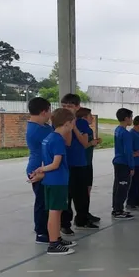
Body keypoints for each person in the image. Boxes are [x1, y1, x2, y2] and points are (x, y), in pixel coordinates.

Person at [33, 108, 79, 255]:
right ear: (67, 123)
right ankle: (53, 244)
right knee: (55, 212)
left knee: (56, 211)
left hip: (51, 181)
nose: (73, 126)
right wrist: (41, 170)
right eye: (73, 124)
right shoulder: (58, 140)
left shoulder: (49, 138)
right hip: (57, 181)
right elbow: (55, 164)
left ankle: (57, 238)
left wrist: (41, 169)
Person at [60, 93, 99, 232]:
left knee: (81, 195)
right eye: (64, 106)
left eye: (69, 106)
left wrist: (73, 126)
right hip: (64, 163)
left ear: (77, 107)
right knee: (66, 196)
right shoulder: (58, 121)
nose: (66, 108)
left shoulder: (81, 123)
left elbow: (83, 142)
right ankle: (65, 224)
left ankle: (82, 219)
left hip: (80, 162)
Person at [25, 97, 53, 244]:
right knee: (42, 202)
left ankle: (48, 228)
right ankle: (41, 233)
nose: (51, 113)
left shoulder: (43, 127)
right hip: (39, 170)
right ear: (44, 111)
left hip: (44, 168)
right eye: (50, 110)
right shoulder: (37, 130)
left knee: (47, 202)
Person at [76, 107, 101, 224]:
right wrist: (91, 143)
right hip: (83, 162)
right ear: (84, 117)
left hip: (87, 161)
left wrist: (93, 143)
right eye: (90, 116)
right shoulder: (82, 127)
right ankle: (81, 216)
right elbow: (83, 144)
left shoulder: (86, 128)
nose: (92, 118)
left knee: (88, 188)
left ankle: (85, 212)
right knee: (83, 190)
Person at [111, 108, 136, 219]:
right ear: (127, 118)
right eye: (131, 117)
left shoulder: (117, 130)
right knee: (123, 186)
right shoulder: (126, 133)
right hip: (124, 162)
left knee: (117, 186)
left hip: (117, 161)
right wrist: (131, 166)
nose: (132, 119)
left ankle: (116, 207)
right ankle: (118, 210)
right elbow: (128, 151)